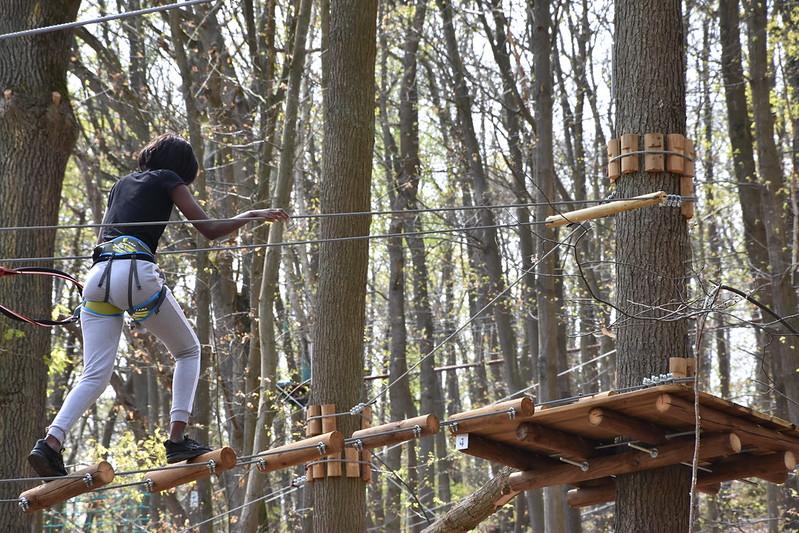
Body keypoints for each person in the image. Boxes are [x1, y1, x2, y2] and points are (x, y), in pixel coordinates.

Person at [28, 133, 289, 477]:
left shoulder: (121, 184)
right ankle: (177, 439)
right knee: (188, 351)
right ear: (180, 169)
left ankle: (50, 443)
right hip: (134, 272)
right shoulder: (168, 178)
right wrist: (252, 215)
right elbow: (208, 229)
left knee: (95, 375)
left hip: (97, 279)